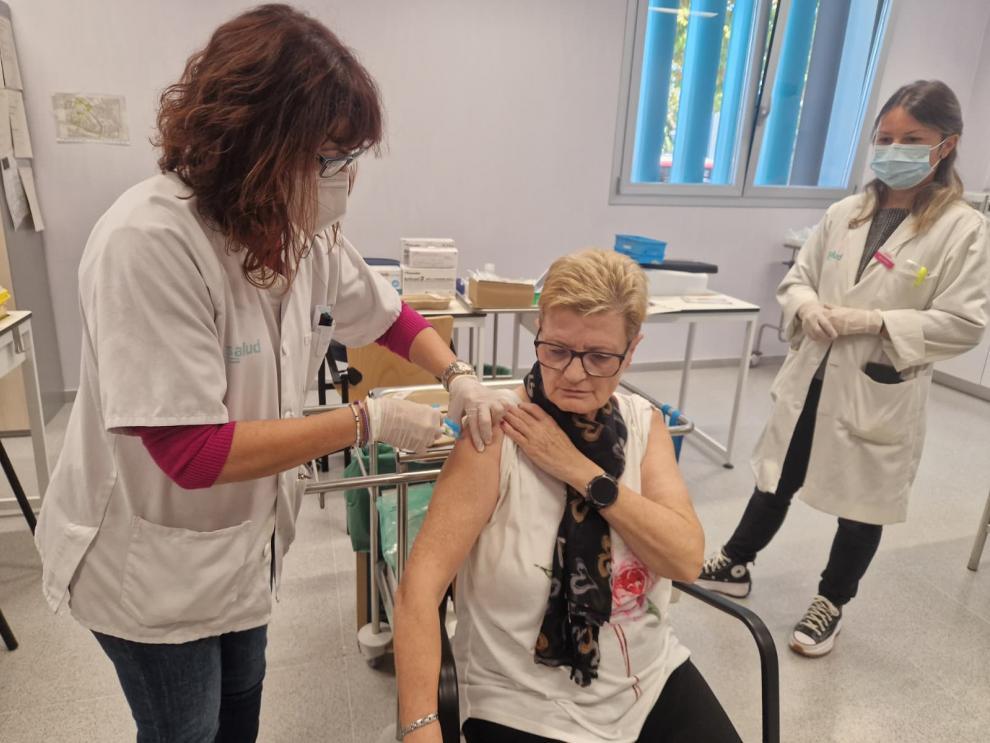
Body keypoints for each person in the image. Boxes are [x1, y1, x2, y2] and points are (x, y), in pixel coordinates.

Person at [33, 5, 514, 741]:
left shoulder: (298, 230)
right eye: (329, 158)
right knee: (184, 730)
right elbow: (191, 453)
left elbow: (385, 315)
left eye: (349, 159)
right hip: (152, 561)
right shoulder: (150, 242)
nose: (344, 179)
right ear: (256, 142)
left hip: (244, 549)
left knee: (240, 713)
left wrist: (457, 373)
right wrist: (367, 420)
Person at [393, 250, 741, 743]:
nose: (574, 374)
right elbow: (418, 590)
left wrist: (580, 471)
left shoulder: (644, 425)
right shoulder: (496, 433)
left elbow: (685, 558)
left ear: (633, 349)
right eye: (555, 350)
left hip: (646, 680)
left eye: (600, 357)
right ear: (537, 329)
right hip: (523, 699)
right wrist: (420, 728)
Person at [697, 79, 990, 657]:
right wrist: (805, 306)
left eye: (913, 138)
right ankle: (736, 560)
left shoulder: (964, 230)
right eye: (885, 137)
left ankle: (833, 599)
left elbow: (966, 323)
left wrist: (878, 324)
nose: (894, 148)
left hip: (878, 385)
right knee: (777, 473)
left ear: (946, 144)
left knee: (863, 500)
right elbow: (799, 279)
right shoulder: (844, 213)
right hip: (813, 374)